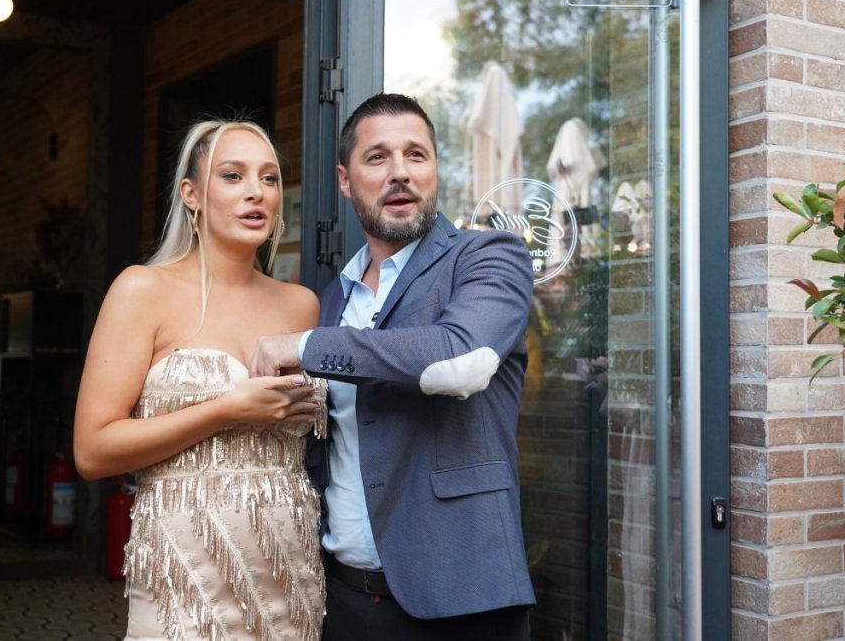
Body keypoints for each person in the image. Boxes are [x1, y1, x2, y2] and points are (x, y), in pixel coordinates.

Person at [250, 93, 536, 640]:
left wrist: (306, 345)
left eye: (416, 155)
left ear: (435, 169)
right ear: (344, 180)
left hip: (464, 599)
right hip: (345, 600)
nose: (400, 172)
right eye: (378, 157)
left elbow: (461, 362)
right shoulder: (333, 299)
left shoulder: (488, 256)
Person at [73, 119, 328, 641]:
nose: (256, 192)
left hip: (289, 576)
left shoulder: (301, 305)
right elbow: (93, 451)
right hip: (184, 583)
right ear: (191, 194)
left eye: (269, 178)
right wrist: (225, 410)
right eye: (233, 176)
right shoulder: (143, 290)